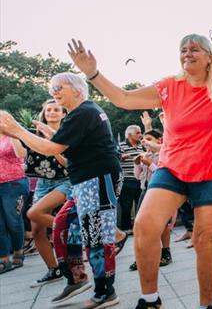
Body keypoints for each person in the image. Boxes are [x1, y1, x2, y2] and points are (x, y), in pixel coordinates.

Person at [55, 20, 212, 309]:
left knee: (207, 237)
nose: (187, 54)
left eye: (195, 49)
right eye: (183, 50)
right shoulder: (168, 87)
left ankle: (205, 304)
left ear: (209, 56)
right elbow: (123, 99)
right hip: (172, 168)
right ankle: (150, 299)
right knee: (145, 224)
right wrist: (93, 73)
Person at [0, 72, 122, 308]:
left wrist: (17, 130)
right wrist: (50, 135)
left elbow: (50, 149)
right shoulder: (78, 115)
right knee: (63, 226)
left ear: (76, 89)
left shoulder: (84, 112)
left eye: (59, 87)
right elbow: (64, 148)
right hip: (83, 183)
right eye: (52, 88)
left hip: (97, 179)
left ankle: (105, 291)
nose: (53, 92)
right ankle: (76, 278)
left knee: (96, 238)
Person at [21, 100, 71, 286]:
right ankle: (54, 269)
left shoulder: (67, 133)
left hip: (66, 180)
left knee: (35, 212)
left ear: (64, 113)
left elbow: (68, 163)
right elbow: (20, 154)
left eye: (56, 109)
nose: (51, 112)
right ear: (44, 112)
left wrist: (52, 143)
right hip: (43, 183)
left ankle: (78, 231)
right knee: (36, 229)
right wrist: (9, 133)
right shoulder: (32, 135)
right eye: (48, 109)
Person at [129, 129, 173, 271]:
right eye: (144, 139)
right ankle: (142, 256)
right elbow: (138, 176)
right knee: (140, 223)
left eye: (149, 139)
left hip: (160, 190)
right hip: (145, 189)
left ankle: (166, 252)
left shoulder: (163, 154)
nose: (145, 142)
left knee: (163, 224)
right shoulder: (145, 155)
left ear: (159, 141)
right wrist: (137, 164)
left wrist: (149, 164)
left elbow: (163, 172)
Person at [0, 132, 29, 274]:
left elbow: (22, 154)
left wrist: (13, 134)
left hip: (14, 183)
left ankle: (18, 251)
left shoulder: (12, 135)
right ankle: (4, 259)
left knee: (13, 220)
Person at [118, 125, 145, 234]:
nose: (140, 135)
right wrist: (121, 157)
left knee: (141, 204)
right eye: (137, 133)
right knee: (126, 205)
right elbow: (114, 158)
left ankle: (140, 227)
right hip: (127, 180)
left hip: (140, 180)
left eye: (140, 132)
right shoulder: (120, 146)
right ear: (129, 135)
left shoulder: (142, 146)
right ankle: (126, 228)